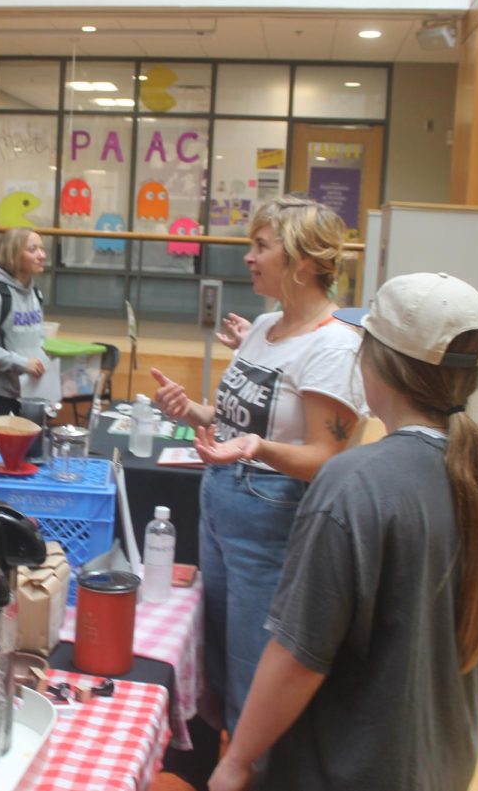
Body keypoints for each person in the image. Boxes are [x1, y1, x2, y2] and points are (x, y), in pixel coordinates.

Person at [209, 272, 478, 791]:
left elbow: (298, 658)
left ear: (375, 362)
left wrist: (237, 761)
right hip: (444, 764)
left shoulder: (353, 484)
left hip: (346, 769)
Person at [151, 195, 366, 733]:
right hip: (221, 506)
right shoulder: (263, 326)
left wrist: (258, 449)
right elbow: (232, 421)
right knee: (219, 658)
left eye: (262, 246)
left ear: (305, 262)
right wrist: (191, 410)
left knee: (255, 669)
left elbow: (327, 460)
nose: (249, 256)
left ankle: (255, 769)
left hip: (271, 520)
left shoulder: (335, 347)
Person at [0, 226, 48, 416]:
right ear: (13, 254)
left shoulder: (36, 293)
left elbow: (36, 340)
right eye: (32, 249)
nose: (41, 255)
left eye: (42, 248)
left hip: (28, 393)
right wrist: (21, 363)